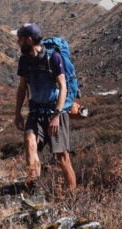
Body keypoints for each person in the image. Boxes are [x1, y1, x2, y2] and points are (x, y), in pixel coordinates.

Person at [14, 23, 77, 191]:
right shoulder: (24, 60)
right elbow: (22, 87)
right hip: (35, 112)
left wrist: (56, 115)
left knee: (62, 158)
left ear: (29, 39)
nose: (17, 42)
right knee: (29, 142)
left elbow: (63, 87)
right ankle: (34, 188)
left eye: (19, 39)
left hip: (55, 112)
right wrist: (17, 113)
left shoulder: (53, 57)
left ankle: (72, 196)